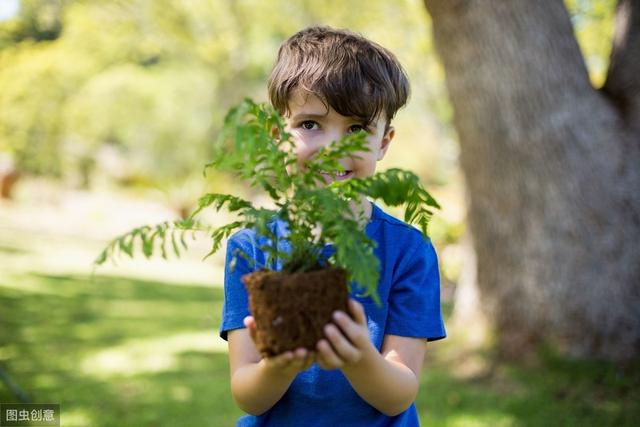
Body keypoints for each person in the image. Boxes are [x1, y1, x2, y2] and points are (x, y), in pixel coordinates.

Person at [220, 26, 446, 426]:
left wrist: (359, 356)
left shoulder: (408, 251)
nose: (332, 148)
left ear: (384, 142)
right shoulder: (250, 246)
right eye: (310, 125)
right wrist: (280, 364)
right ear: (278, 137)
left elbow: (399, 395)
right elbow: (247, 396)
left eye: (357, 129)